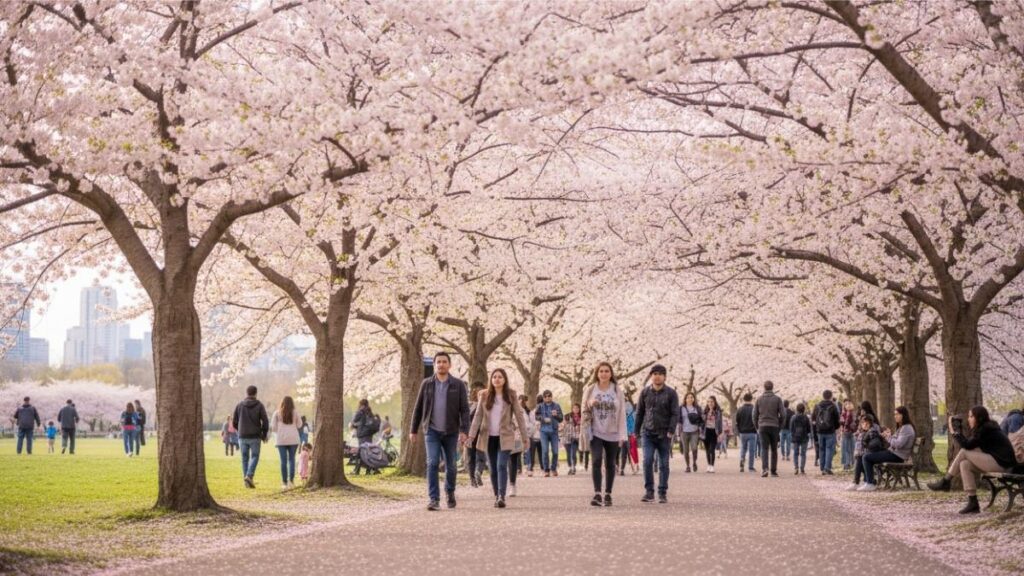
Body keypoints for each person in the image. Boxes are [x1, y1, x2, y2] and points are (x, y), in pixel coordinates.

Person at [409, 351, 470, 511]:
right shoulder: (426, 384)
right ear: (435, 365)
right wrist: (413, 430)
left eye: (444, 362)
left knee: (451, 465)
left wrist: (464, 430)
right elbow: (418, 408)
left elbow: (464, 409)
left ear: (449, 365)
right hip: (432, 430)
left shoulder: (458, 385)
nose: (441, 364)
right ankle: (434, 499)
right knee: (432, 462)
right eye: (438, 362)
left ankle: (450, 492)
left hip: (451, 431)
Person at [928, 406, 1018, 513]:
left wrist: (953, 432)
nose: (968, 419)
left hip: (1004, 465)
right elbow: (969, 444)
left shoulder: (986, 429)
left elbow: (966, 446)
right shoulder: (984, 428)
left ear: (978, 417)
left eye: (971, 416)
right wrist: (958, 432)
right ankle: (973, 502)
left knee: (964, 452)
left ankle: (946, 481)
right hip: (996, 461)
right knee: (965, 464)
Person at [468, 368, 529, 508]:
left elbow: (519, 416)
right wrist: (471, 434)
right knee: (493, 468)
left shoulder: (511, 395)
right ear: (491, 379)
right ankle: (497, 496)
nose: (497, 379)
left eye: (500, 377)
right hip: (488, 437)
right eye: (494, 377)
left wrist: (525, 437)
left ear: (504, 379)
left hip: (505, 436)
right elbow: (478, 416)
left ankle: (501, 495)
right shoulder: (484, 395)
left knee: (502, 465)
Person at [582, 361, 628, 507]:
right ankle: (597, 493)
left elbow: (621, 413)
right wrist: (590, 403)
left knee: (610, 463)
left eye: (606, 371)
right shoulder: (590, 389)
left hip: (613, 432)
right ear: (597, 373)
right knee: (596, 461)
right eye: (601, 371)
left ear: (611, 374)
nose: (603, 373)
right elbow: (584, 408)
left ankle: (608, 493)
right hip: (595, 431)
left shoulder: (616, 390)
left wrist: (622, 435)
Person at [635, 364, 679, 504]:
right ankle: (649, 492)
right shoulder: (644, 393)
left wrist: (671, 430)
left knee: (664, 464)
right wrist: (636, 431)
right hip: (648, 432)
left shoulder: (671, 393)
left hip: (665, 434)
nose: (657, 376)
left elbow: (675, 413)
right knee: (647, 461)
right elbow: (640, 412)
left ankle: (662, 492)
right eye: (654, 373)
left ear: (664, 376)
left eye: (660, 374)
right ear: (651, 376)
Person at [859, 406, 917, 492]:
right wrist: (888, 435)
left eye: (897, 414)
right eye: (894, 414)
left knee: (866, 457)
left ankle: (870, 483)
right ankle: (868, 482)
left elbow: (898, 444)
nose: (895, 416)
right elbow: (895, 440)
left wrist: (888, 437)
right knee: (865, 455)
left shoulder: (906, 428)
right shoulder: (903, 427)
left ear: (903, 415)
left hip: (897, 456)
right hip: (894, 453)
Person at [233, 385, 270, 489]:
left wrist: (239, 430)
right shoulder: (259, 405)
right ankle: (249, 476)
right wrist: (264, 434)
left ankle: (247, 481)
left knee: (244, 458)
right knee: (255, 456)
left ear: (247, 393)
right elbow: (265, 420)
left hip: (242, 436)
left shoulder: (239, 405)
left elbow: (234, 422)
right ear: (255, 393)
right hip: (255, 436)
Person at [753, 380, 785, 478]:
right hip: (774, 426)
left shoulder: (759, 399)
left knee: (764, 448)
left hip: (762, 426)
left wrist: (757, 427)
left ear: (764, 387)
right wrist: (780, 426)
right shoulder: (778, 399)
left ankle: (765, 469)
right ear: (772, 387)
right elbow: (783, 415)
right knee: (774, 449)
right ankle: (773, 471)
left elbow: (754, 415)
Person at [272, 396, 302, 488]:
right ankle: (291, 481)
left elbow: (273, 427)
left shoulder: (277, 413)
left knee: (283, 461)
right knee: (292, 460)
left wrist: (280, 431)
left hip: (281, 439)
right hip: (293, 439)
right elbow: (300, 424)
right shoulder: (295, 413)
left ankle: (284, 482)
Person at [846, 414, 881, 490]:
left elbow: (875, 445)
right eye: (863, 423)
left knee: (860, 458)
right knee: (859, 459)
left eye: (867, 423)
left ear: (871, 424)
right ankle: (862, 481)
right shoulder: (862, 432)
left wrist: (866, 445)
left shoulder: (872, 431)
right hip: (864, 454)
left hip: (872, 454)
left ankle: (859, 482)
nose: (864, 425)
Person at [536, 390, 564, 477]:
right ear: (543, 398)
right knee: (545, 451)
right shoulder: (540, 406)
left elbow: (561, 419)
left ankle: (553, 468)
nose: (548, 398)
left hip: (554, 431)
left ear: (551, 396)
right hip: (543, 431)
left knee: (555, 451)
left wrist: (556, 415)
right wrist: (542, 419)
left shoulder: (557, 405)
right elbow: (536, 416)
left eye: (549, 396)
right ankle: (546, 470)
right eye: (546, 396)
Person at [812, 390, 840, 475]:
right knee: (829, 449)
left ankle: (822, 467)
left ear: (823, 396)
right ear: (831, 396)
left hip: (820, 431)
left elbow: (813, 418)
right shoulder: (833, 406)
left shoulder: (817, 406)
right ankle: (827, 468)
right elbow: (837, 419)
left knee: (821, 449)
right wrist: (835, 427)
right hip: (830, 431)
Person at [465, 383, 487, 487]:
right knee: (473, 456)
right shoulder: (469, 405)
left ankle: (476, 474)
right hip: (471, 434)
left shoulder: (485, 406)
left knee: (477, 456)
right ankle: (474, 476)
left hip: (480, 434)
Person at [350, 398, 379, 476]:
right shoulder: (369, 412)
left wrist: (354, 426)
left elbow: (354, 421)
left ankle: (357, 470)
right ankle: (369, 470)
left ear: (361, 404)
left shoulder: (360, 412)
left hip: (362, 435)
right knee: (367, 452)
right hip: (369, 434)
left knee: (361, 452)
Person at [678, 391, 702, 473]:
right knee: (686, 450)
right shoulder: (681, 408)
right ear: (685, 399)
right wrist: (678, 433)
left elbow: (701, 419)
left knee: (694, 448)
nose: (690, 399)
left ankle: (694, 462)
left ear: (694, 399)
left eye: (691, 397)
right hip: (684, 432)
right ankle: (687, 466)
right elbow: (679, 421)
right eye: (688, 397)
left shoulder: (697, 408)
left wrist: (700, 428)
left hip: (694, 432)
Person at [735, 392, 757, 472]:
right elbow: (757, 420)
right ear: (751, 399)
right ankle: (750, 467)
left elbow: (737, 422)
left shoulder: (740, 409)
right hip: (752, 432)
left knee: (743, 448)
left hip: (742, 433)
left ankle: (742, 462)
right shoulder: (754, 409)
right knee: (752, 450)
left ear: (743, 399)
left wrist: (738, 431)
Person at [702, 395, 723, 473]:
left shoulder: (718, 411)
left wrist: (720, 432)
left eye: (711, 402)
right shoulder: (704, 411)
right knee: (707, 450)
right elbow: (702, 422)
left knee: (712, 449)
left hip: (714, 432)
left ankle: (712, 465)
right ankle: (708, 465)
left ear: (715, 402)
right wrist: (707, 413)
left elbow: (720, 422)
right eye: (708, 402)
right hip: (706, 432)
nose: (710, 403)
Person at [789, 403, 811, 475]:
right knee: (803, 454)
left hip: (795, 437)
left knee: (795, 453)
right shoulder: (806, 417)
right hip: (804, 437)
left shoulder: (793, 417)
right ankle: (802, 468)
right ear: (804, 409)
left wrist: (793, 435)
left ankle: (796, 467)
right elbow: (809, 429)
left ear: (797, 409)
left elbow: (791, 428)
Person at [562, 403, 582, 475]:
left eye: (577, 408)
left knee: (573, 453)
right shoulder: (567, 416)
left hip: (576, 438)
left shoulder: (581, 417)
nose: (576, 409)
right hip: (567, 437)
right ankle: (570, 467)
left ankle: (573, 467)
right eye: (574, 408)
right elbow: (563, 425)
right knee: (568, 453)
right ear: (572, 409)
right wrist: (563, 425)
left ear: (579, 409)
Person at [839, 399, 857, 471]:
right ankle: (850, 463)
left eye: (848, 404)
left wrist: (843, 429)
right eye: (846, 404)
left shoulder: (845, 414)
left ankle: (847, 464)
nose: (848, 405)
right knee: (851, 448)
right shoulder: (853, 413)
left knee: (847, 448)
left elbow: (843, 423)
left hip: (847, 432)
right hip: (851, 432)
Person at [528, 395, 543, 477]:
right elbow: (530, 423)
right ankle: (531, 468)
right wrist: (535, 425)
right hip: (534, 435)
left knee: (539, 453)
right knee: (534, 453)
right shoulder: (532, 412)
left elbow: (529, 423)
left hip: (540, 434)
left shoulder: (532, 412)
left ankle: (541, 468)